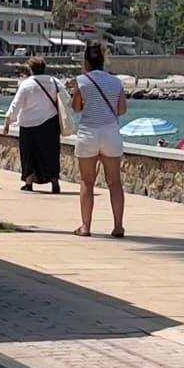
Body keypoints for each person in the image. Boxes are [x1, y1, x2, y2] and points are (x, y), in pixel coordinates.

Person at [69, 39, 127, 237]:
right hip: (110, 133)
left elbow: (76, 108)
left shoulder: (82, 81)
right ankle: (118, 226)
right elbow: (121, 109)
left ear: (86, 62)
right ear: (103, 61)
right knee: (115, 182)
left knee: (87, 181)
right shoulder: (116, 82)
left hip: (88, 133)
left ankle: (85, 226)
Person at [5, 59, 65, 193]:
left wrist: (8, 120)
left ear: (31, 69)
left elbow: (16, 104)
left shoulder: (27, 84)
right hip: (50, 123)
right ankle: (54, 182)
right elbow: (66, 98)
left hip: (29, 124)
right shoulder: (55, 82)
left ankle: (29, 184)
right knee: (51, 153)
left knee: (28, 154)